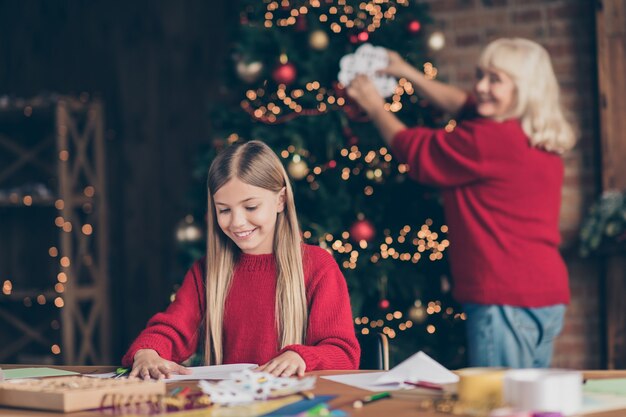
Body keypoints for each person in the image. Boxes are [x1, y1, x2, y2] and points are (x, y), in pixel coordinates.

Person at [346, 38, 575, 368]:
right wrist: (406, 71)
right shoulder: (535, 131)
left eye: (495, 79)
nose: (481, 86)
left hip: (503, 298)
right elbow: (465, 104)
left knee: (501, 404)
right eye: (480, 75)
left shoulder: (488, 139)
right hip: (544, 292)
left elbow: (419, 152)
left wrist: (374, 106)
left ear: (524, 90)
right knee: (527, 401)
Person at [122, 140, 360, 379]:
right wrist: (147, 351)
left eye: (251, 207)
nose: (236, 222)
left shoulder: (318, 266)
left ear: (280, 200)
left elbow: (343, 353)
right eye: (224, 210)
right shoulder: (205, 272)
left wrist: (301, 358)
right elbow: (172, 329)